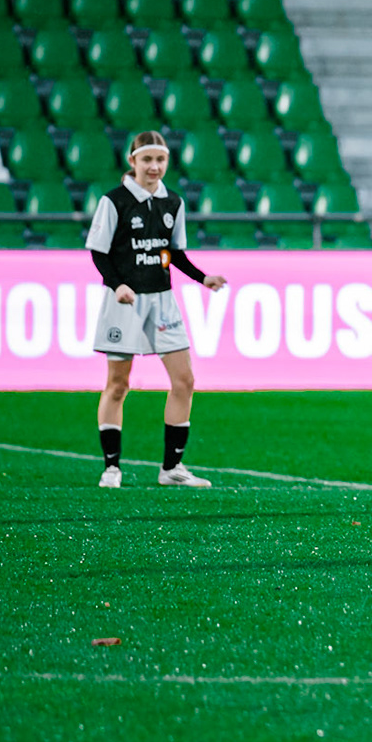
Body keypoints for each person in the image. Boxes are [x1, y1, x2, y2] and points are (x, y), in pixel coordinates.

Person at [87, 131, 228, 489]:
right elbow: (99, 252)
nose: (154, 167)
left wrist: (202, 278)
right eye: (147, 159)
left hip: (163, 301)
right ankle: (112, 468)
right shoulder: (114, 201)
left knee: (185, 381)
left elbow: (173, 252)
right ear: (132, 161)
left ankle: (171, 469)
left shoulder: (173, 203)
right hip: (124, 301)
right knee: (118, 385)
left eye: (160, 160)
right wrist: (116, 284)